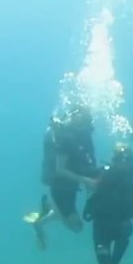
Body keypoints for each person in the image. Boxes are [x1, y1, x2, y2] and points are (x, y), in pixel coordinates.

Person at [23, 105, 100, 250]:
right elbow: (60, 169)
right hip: (60, 185)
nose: (87, 123)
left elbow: (89, 159)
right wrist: (86, 181)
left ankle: (50, 212)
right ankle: (45, 214)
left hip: (73, 181)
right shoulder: (64, 136)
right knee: (77, 227)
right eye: (84, 119)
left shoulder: (83, 133)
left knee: (65, 214)